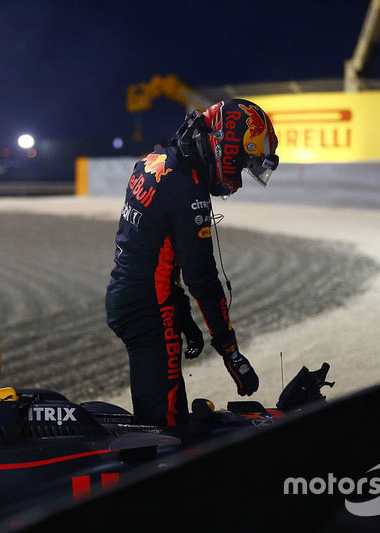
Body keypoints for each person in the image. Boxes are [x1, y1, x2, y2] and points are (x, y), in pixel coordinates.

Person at [105, 98, 279, 427]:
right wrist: (230, 351)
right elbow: (202, 278)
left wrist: (181, 313)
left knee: (164, 415)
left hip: (130, 296)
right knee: (165, 430)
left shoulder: (155, 161)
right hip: (149, 310)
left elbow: (153, 246)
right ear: (226, 146)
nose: (238, 181)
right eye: (242, 162)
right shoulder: (188, 189)